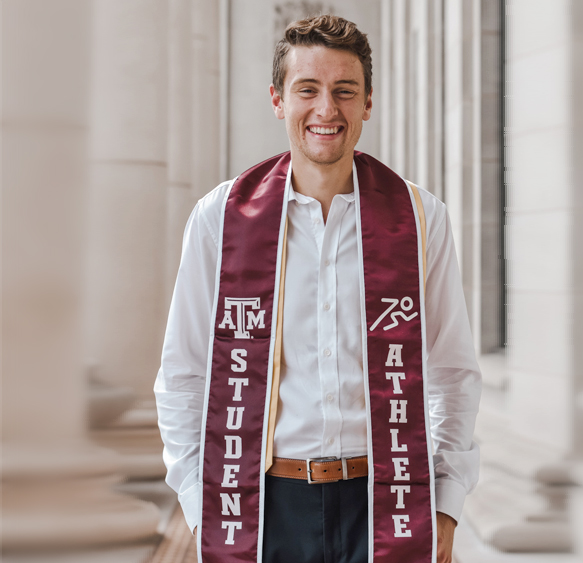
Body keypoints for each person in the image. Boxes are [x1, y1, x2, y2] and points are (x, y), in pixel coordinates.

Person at [154, 14, 481, 563]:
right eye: (308, 90)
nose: (326, 110)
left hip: (387, 502)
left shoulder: (421, 218)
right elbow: (185, 373)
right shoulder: (221, 219)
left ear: (367, 104)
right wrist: (197, 499)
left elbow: (450, 370)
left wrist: (445, 503)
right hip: (261, 506)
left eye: (344, 92)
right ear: (279, 100)